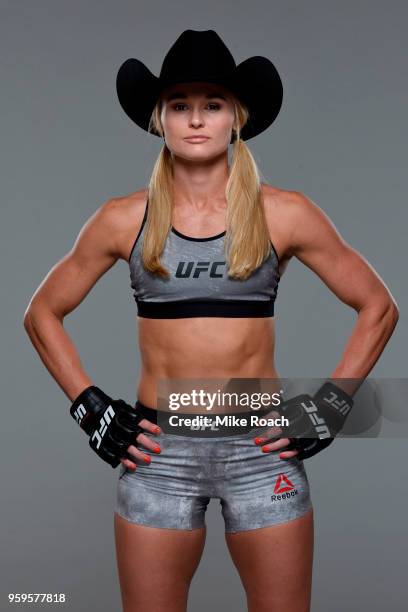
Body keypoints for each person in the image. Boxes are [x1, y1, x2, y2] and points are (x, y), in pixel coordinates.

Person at [23, 30, 399, 612]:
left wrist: (328, 408)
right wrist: (90, 407)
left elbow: (379, 306)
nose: (196, 120)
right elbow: (41, 313)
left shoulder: (283, 212)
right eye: (180, 106)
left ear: (235, 119)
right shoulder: (124, 219)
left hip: (260, 449)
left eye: (213, 105)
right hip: (157, 455)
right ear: (160, 120)